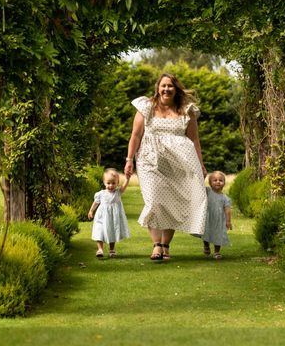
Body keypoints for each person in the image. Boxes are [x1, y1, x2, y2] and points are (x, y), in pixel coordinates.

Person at [124, 72, 207, 261]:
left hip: (179, 162)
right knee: (153, 201)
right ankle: (156, 245)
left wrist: (200, 165)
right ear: (158, 88)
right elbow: (135, 136)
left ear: (176, 89)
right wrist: (129, 159)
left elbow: (194, 140)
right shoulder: (146, 107)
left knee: (172, 203)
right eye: (163, 86)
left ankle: (165, 246)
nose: (166, 89)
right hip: (149, 160)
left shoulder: (187, 111)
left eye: (170, 86)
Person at [88, 168, 131, 258]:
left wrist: (127, 179)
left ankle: (112, 249)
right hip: (101, 217)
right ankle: (100, 249)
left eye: (113, 183)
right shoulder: (101, 194)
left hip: (113, 218)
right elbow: (96, 202)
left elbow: (124, 187)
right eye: (108, 183)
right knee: (99, 231)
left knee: (112, 232)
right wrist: (91, 210)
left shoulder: (118, 192)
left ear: (117, 183)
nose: (111, 185)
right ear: (104, 182)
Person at [202, 171, 232, 259]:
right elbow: (199, 186)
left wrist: (228, 221)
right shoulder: (207, 191)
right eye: (215, 180)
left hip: (219, 220)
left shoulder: (225, 198)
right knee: (206, 232)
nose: (218, 182)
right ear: (210, 183)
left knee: (218, 235)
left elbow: (227, 210)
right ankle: (206, 245)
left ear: (224, 183)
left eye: (220, 180)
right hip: (208, 218)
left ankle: (217, 252)